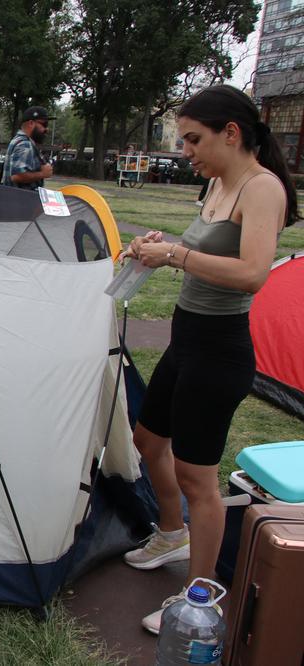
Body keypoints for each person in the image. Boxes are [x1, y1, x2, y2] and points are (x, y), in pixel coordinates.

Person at [119, 84, 299, 634]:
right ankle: (172, 533)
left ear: (232, 133)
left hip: (219, 351)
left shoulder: (261, 187)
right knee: (148, 441)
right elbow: (208, 251)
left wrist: (175, 254)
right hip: (186, 340)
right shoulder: (217, 182)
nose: (187, 152)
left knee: (199, 479)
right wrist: (157, 246)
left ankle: (200, 600)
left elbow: (252, 274)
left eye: (194, 140)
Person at [1, 106, 54, 190]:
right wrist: (43, 174)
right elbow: (17, 176)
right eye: (44, 124)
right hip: (20, 197)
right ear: (31, 123)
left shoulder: (19, 140)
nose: (47, 129)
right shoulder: (24, 144)